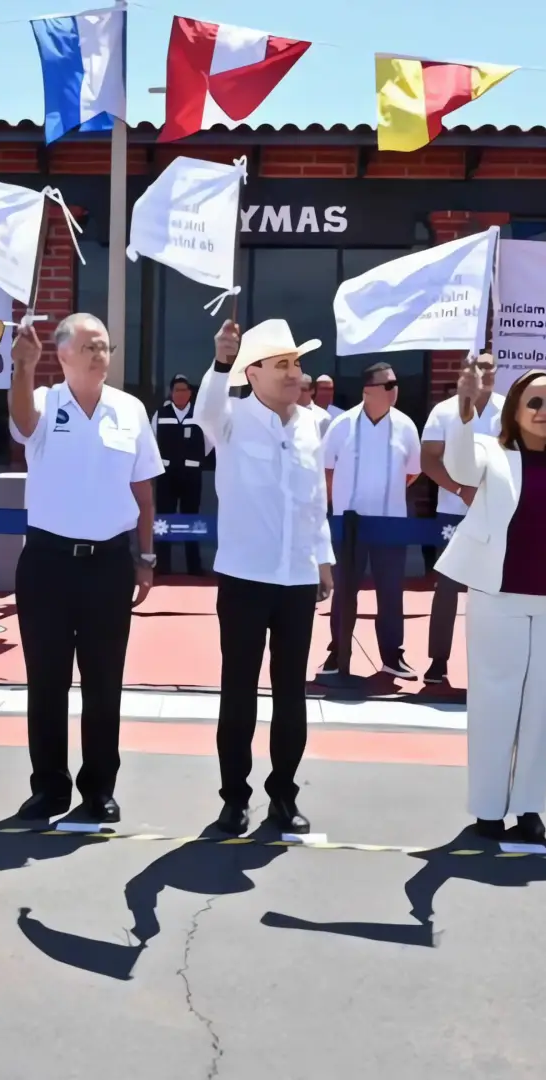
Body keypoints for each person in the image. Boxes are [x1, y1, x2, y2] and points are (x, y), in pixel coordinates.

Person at [437, 367, 546, 845]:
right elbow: (459, 467)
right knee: (494, 706)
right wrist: (465, 407)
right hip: (499, 599)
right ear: (514, 410)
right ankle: (488, 809)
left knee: (542, 710)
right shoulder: (490, 453)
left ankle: (529, 807)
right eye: (534, 402)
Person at [7, 312, 161, 825]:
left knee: (103, 682)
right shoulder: (43, 401)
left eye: (105, 346)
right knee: (46, 681)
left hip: (109, 564)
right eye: (90, 346)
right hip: (47, 563)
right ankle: (49, 787)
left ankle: (99, 788)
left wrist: (146, 556)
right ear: (63, 354)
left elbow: (143, 490)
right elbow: (21, 424)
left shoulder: (130, 410)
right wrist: (23, 368)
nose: (100, 354)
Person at [197, 318, 334, 836]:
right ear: (251, 373)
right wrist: (220, 361)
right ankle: (234, 798)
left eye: (296, 363)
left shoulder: (313, 424)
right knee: (239, 693)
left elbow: (315, 501)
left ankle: (284, 795)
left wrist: (323, 560)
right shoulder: (229, 418)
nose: (294, 373)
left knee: (290, 694)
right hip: (245, 578)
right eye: (282, 365)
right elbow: (207, 408)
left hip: (297, 578)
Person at [319, 360, 421, 678]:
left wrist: (387, 494)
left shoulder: (406, 425)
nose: (395, 390)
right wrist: (339, 503)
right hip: (349, 525)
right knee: (344, 591)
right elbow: (326, 470)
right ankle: (337, 653)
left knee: (390, 593)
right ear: (368, 389)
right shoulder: (341, 425)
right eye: (388, 385)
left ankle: (392, 656)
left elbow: (413, 472)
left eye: (395, 384)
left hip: (390, 524)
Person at [418, 352, 504, 686]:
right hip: (453, 512)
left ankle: (490, 664)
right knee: (447, 588)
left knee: (493, 591)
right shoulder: (444, 410)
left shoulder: (509, 410)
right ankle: (438, 661)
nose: (487, 373)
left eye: (492, 367)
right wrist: (458, 489)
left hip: (497, 512)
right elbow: (429, 460)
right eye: (481, 367)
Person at [151, 374, 208, 576]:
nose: (181, 394)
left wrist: (195, 458)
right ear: (171, 393)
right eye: (177, 390)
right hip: (166, 475)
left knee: (191, 519)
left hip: (191, 475)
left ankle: (194, 567)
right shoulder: (161, 414)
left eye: (184, 390)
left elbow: (209, 442)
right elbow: (152, 441)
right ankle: (162, 565)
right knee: (164, 520)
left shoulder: (200, 415)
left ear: (190, 393)